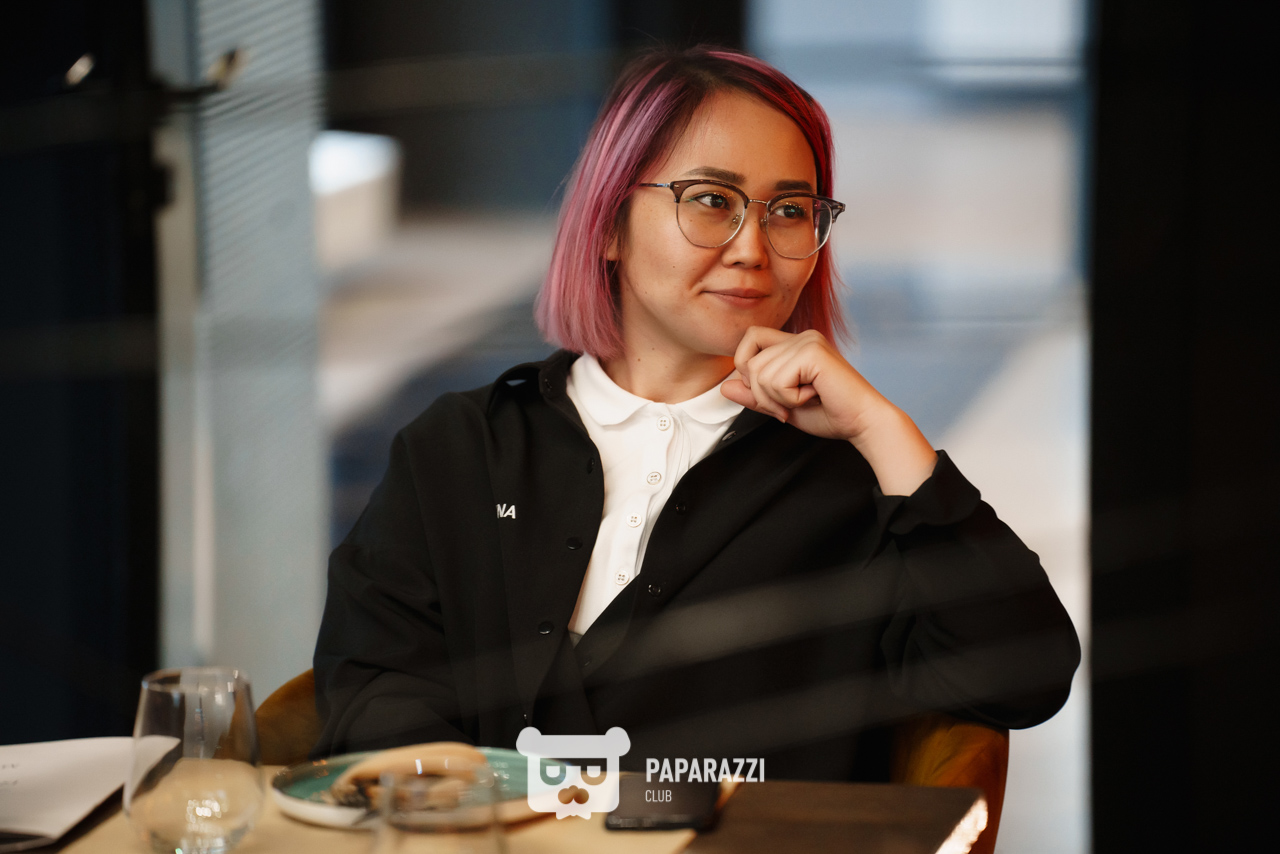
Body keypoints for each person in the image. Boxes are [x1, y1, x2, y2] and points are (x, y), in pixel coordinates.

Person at [312, 46, 1080, 780]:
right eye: (712, 201)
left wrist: (886, 433)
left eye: (789, 210)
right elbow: (372, 693)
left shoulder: (859, 483)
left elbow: (1025, 678)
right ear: (608, 224)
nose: (753, 248)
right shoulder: (462, 448)